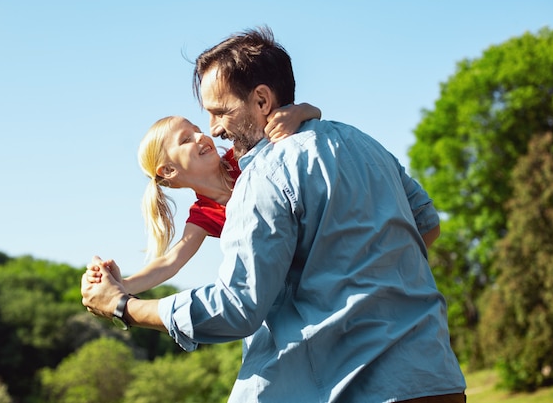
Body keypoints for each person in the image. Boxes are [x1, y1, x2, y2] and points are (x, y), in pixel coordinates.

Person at [81, 26, 466, 402]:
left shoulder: (261, 175)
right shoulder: (364, 143)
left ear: (262, 102)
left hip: (347, 384)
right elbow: (426, 225)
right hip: (433, 375)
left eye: (218, 113)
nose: (212, 130)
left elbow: (237, 307)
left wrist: (123, 306)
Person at [87, 103, 321, 294]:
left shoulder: (244, 155)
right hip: (299, 281)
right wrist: (122, 285)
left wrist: (297, 113)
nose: (201, 136)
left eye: (197, 130)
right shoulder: (203, 215)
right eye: (186, 139)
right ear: (168, 171)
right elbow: (170, 263)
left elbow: (314, 113)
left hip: (325, 240)